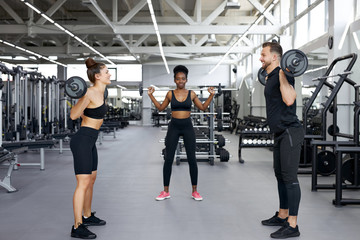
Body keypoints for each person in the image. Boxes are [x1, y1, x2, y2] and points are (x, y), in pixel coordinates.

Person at [148, 65, 215, 201]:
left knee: (192, 159)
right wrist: (151, 95)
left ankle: (195, 191)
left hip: (187, 126)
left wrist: (211, 95)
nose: (180, 81)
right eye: (178, 79)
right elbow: (161, 108)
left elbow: (203, 107)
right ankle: (165, 191)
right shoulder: (170, 94)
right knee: (168, 159)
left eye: (183, 79)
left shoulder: (191, 94)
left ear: (186, 80)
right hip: (174, 126)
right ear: (174, 80)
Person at [259, 42, 304, 239]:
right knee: (279, 175)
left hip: (290, 132)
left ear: (275, 57)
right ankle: (282, 214)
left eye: (263, 55)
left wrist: (283, 76)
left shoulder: (284, 74)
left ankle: (292, 225)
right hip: (279, 133)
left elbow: (289, 99)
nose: (261, 58)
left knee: (290, 178)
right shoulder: (269, 77)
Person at [69, 58, 111, 239]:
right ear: (98, 76)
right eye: (107, 72)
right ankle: (77, 226)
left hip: (91, 140)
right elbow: (73, 116)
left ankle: (87, 216)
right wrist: (83, 97)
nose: (109, 74)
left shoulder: (104, 92)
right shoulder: (90, 93)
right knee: (83, 183)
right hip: (82, 140)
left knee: (91, 180)